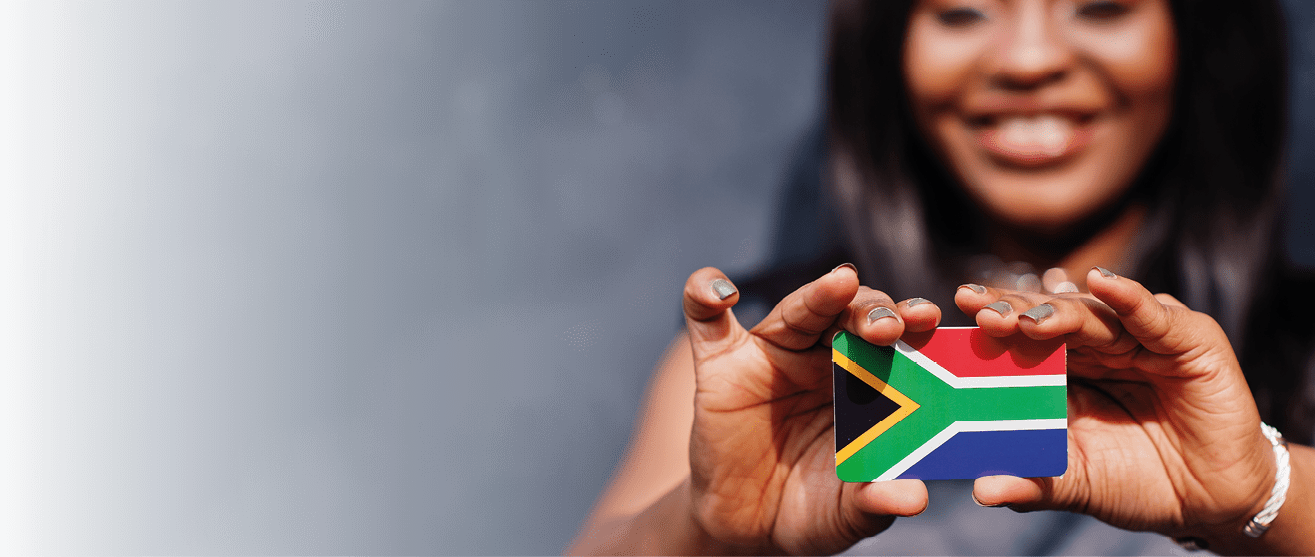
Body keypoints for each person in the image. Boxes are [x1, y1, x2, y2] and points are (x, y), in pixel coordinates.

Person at [569, 0, 1315, 554]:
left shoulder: (1300, 341)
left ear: (1200, 37)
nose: (1026, 61)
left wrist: (1266, 492)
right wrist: (706, 529)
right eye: (962, 12)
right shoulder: (769, 359)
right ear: (889, 47)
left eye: (1100, 7)